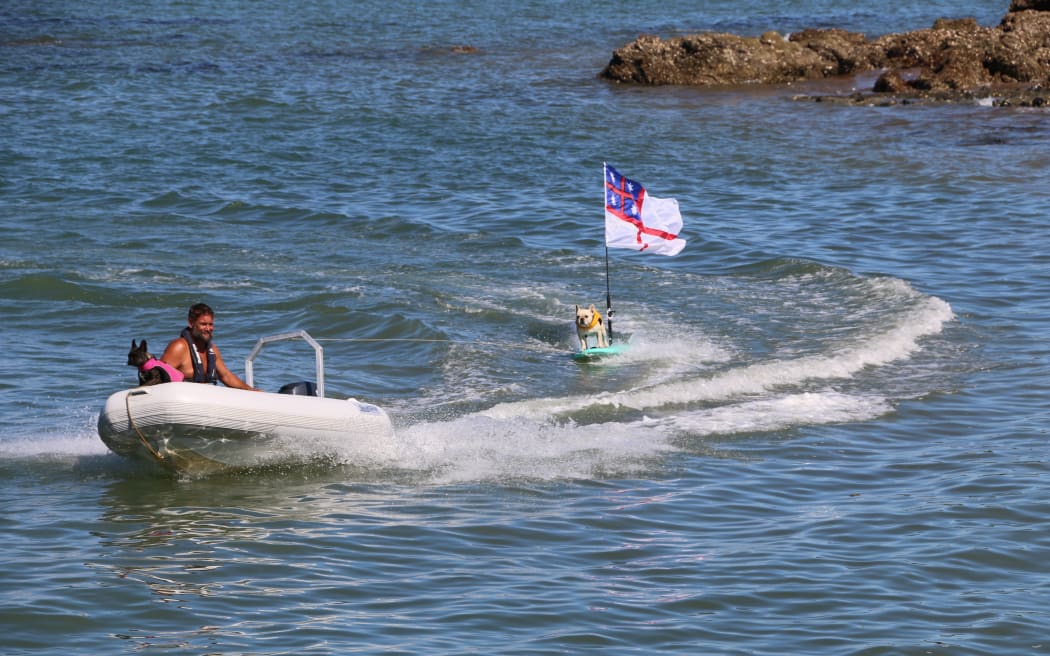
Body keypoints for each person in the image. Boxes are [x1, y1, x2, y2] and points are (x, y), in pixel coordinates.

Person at [161, 303, 259, 390]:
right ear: (191, 323)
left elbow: (226, 376)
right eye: (203, 324)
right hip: (183, 402)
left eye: (211, 324)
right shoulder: (179, 347)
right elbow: (159, 376)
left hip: (206, 401)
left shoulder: (212, 350)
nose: (208, 328)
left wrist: (251, 390)